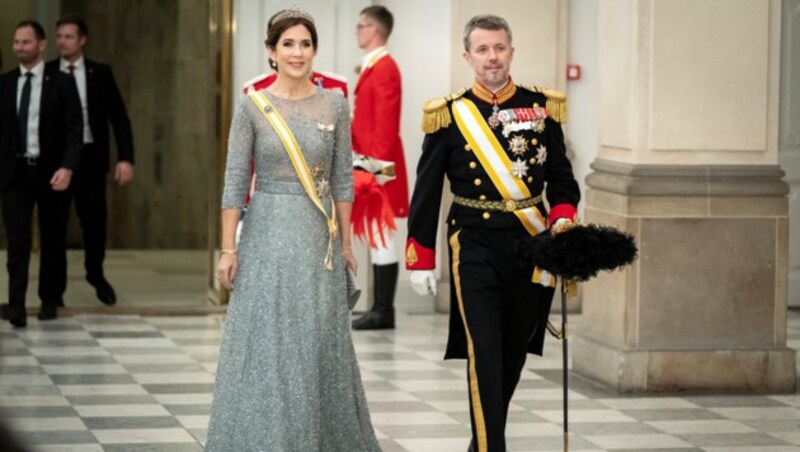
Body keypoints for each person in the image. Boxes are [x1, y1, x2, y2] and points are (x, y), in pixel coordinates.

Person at [205, 9, 381, 451]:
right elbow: (233, 182)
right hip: (265, 231)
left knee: (318, 340)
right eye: (288, 44)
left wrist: (344, 241)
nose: (297, 53)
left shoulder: (335, 103)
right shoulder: (252, 105)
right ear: (271, 52)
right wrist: (228, 249)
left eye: (305, 44)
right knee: (267, 340)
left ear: (314, 50)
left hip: (316, 236)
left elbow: (342, 178)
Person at [405, 15, 580, 452]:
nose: (492, 58)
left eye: (499, 48)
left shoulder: (541, 108)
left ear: (512, 51)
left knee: (513, 353)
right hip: (474, 243)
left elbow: (562, 180)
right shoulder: (447, 115)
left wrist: (561, 219)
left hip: (530, 244)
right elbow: (426, 190)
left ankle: (481, 443)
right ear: (468, 57)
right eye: (482, 50)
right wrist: (420, 256)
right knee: (484, 352)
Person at [47, 16, 134, 306]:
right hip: (56, 163)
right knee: (55, 226)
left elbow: (118, 118)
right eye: (59, 36)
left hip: (91, 161)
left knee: (95, 223)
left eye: (68, 36)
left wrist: (125, 157)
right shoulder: (47, 74)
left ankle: (95, 274)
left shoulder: (100, 73)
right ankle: (54, 289)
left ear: (82, 39)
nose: (62, 42)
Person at [0, 21, 82, 327]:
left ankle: (48, 300)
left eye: (26, 42)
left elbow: (75, 129)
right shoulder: (5, 84)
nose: (19, 47)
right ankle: (16, 305)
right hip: (14, 175)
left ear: (41, 45)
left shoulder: (61, 81)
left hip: (51, 173)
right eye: (16, 42)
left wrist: (68, 166)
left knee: (52, 239)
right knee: (17, 242)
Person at [350, 5, 408, 330]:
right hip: (372, 165)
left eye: (361, 26)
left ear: (374, 29)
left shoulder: (385, 67)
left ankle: (384, 310)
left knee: (382, 236)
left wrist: (374, 173)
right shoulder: (376, 66)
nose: (357, 31)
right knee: (377, 236)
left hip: (379, 168)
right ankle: (379, 307)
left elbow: (386, 128)